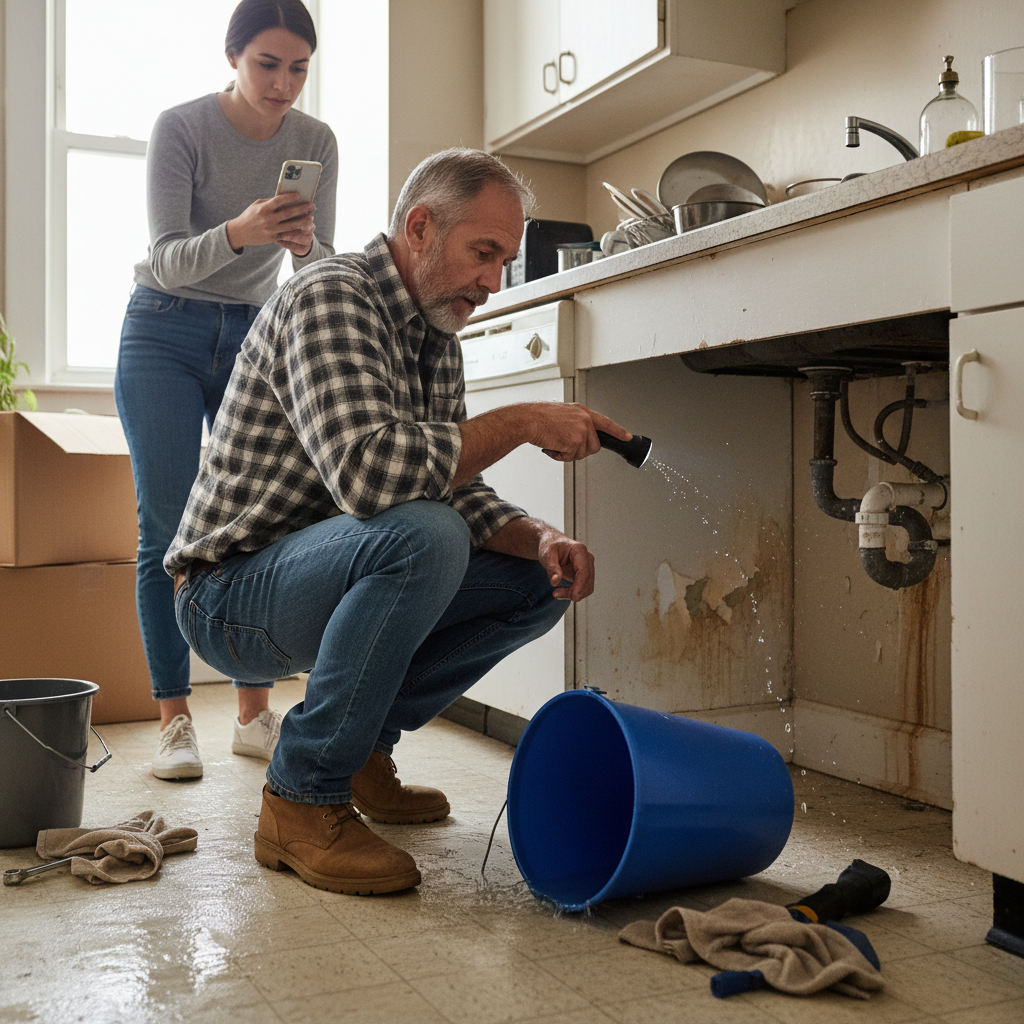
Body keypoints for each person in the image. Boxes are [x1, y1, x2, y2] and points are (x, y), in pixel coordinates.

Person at [164, 147, 634, 896]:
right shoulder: (331, 297)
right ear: (420, 227)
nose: (492, 281)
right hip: (226, 593)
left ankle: (359, 751)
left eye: (503, 261)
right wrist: (520, 420)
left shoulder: (433, 333)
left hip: (322, 566)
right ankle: (300, 797)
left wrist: (542, 539)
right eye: (484, 253)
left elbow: (450, 487)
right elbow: (372, 474)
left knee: (531, 579)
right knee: (425, 536)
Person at [114, 0, 337, 781]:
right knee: (167, 529)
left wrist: (308, 247)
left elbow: (319, 273)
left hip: (255, 335)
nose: (284, 84)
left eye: (299, 67)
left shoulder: (315, 141)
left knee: (259, 522)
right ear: (233, 58)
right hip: (163, 331)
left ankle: (252, 712)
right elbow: (169, 258)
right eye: (268, 64)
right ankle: (175, 720)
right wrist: (243, 230)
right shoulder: (181, 127)